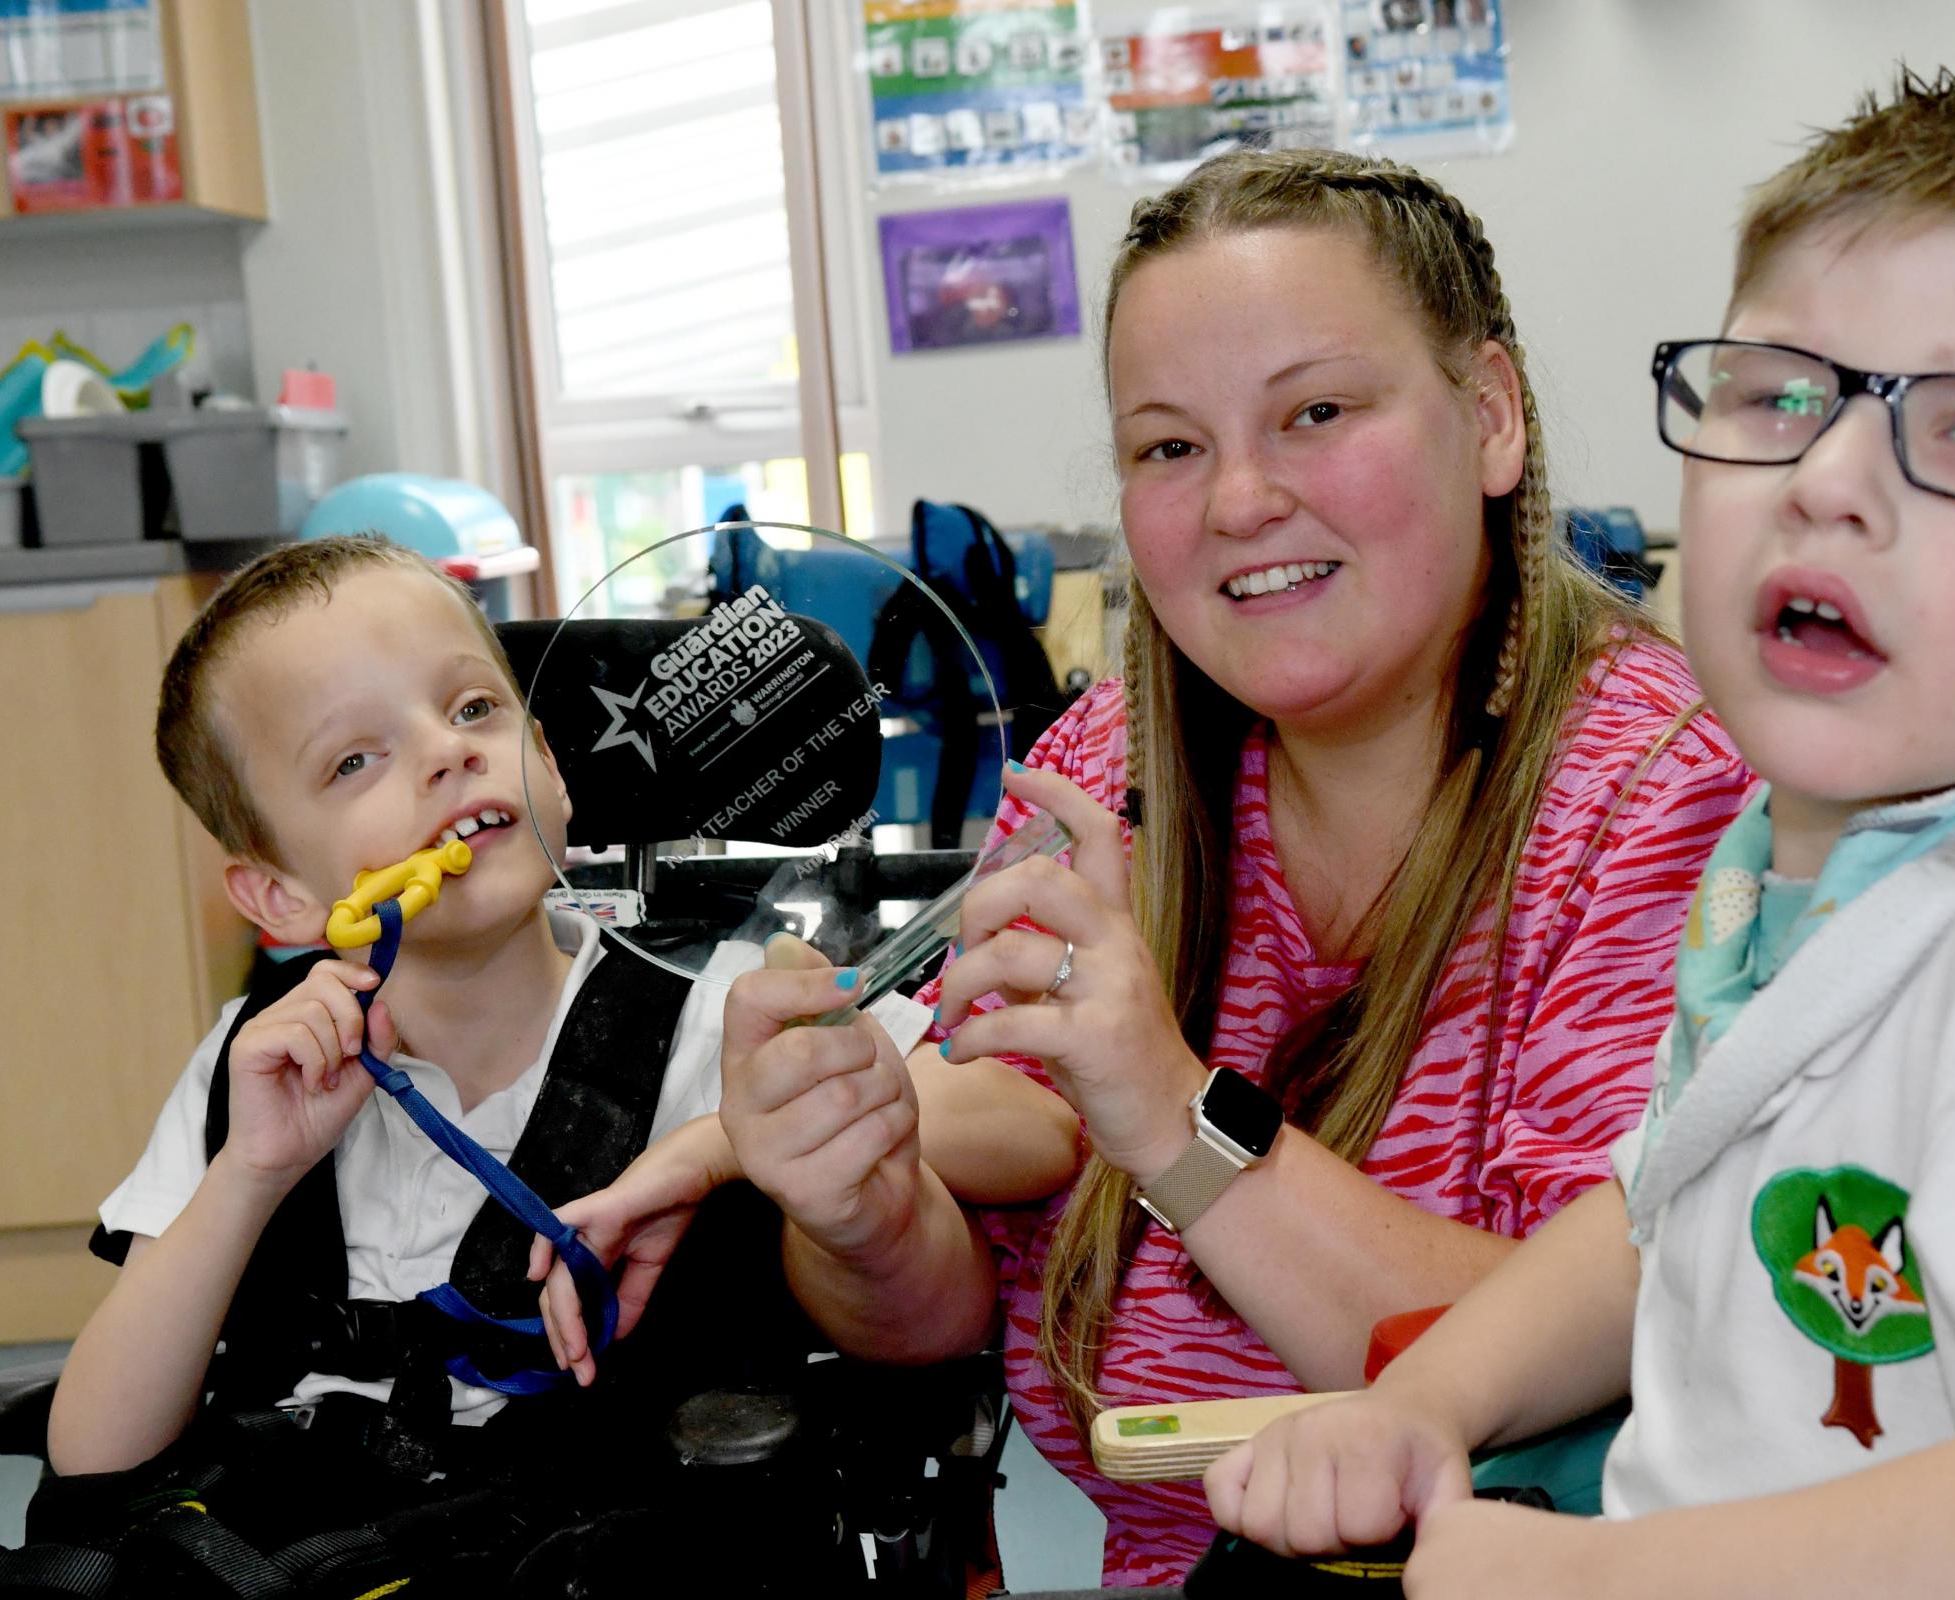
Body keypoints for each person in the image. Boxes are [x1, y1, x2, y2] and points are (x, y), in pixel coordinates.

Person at [1204, 63, 1955, 1600]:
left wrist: (1598, 1580)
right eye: (1775, 394)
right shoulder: (1808, 876)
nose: (1827, 482)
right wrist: (1426, 1401)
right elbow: (1665, 1206)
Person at [710, 148, 1753, 1585]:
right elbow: (956, 1310)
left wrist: (1177, 1118)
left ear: (1493, 416)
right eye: (1170, 447)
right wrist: (857, 1203)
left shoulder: (1664, 796)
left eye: (1318, 412)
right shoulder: (1107, 768)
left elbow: (1606, 1351)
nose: (1240, 500)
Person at [46, 537, 1077, 1523]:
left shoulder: (724, 1011)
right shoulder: (252, 1067)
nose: (449, 752)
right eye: (356, 757)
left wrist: (727, 1138)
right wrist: (249, 1174)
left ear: (549, 762)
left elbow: (1033, 1124)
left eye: (474, 707)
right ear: (276, 895)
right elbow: (95, 1454)